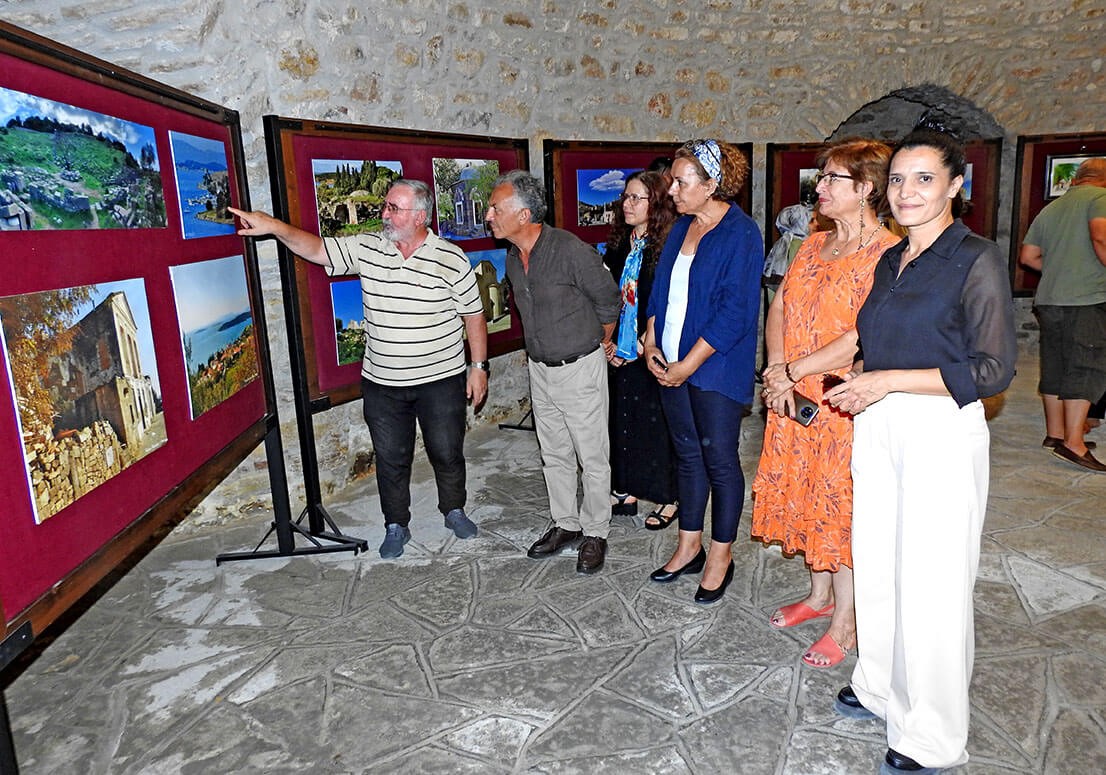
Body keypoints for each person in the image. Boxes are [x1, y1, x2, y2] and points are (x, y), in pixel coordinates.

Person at [824, 124, 1016, 775]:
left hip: (941, 428)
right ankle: (880, 685)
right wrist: (848, 378)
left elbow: (993, 371)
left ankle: (932, 735)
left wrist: (887, 381)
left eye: (925, 178)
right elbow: (872, 340)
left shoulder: (976, 257)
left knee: (931, 583)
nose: (908, 191)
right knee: (878, 561)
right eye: (900, 179)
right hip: (879, 423)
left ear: (956, 186)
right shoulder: (890, 258)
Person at [227, 179, 489, 559]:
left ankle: (454, 509)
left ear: (419, 216)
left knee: (447, 451)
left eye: (393, 208)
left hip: (441, 380)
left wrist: (478, 367)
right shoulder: (367, 247)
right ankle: (395, 524)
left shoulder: (451, 257)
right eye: (385, 206)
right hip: (383, 384)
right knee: (390, 456)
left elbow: (474, 315)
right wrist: (273, 226)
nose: (384, 214)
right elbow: (316, 249)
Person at [752, 139, 900, 668]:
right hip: (792, 391)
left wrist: (794, 372)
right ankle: (817, 598)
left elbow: (861, 335)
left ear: (866, 190)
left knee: (839, 506)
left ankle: (846, 621)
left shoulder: (886, 253)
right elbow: (780, 307)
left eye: (835, 178)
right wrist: (777, 373)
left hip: (840, 399)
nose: (822, 186)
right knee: (804, 491)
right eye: (824, 176)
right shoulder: (813, 244)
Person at [643, 139, 763, 603]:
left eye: (681, 181)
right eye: (673, 179)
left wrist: (687, 365)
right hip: (671, 361)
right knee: (687, 457)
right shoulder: (680, 228)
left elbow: (735, 312)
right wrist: (652, 342)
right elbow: (660, 293)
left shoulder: (741, 233)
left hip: (715, 369)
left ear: (713, 184)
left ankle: (720, 554)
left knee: (719, 461)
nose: (671, 189)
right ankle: (688, 544)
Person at [486, 170, 621, 574]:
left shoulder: (570, 250)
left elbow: (609, 301)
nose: (488, 215)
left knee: (592, 455)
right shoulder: (512, 257)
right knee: (554, 453)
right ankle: (566, 523)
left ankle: (596, 531)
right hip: (540, 371)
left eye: (496, 208)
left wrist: (596, 344)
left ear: (523, 214)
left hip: (579, 367)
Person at [1018, 157, 1106, 472]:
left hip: (1050, 299)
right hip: (1086, 299)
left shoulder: (1051, 208)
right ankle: (1074, 444)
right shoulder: (1100, 198)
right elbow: (1101, 237)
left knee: (1055, 365)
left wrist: (1060, 270)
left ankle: (1055, 435)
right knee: (1086, 365)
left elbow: (1028, 257)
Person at [604, 170, 680, 528]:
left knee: (658, 424)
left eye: (637, 198)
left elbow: (667, 302)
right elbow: (610, 296)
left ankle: (669, 496)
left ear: (657, 203)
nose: (628, 205)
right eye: (626, 198)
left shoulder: (668, 246)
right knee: (623, 419)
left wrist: (639, 341)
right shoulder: (620, 244)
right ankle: (629, 488)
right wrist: (610, 339)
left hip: (655, 345)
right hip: (621, 343)